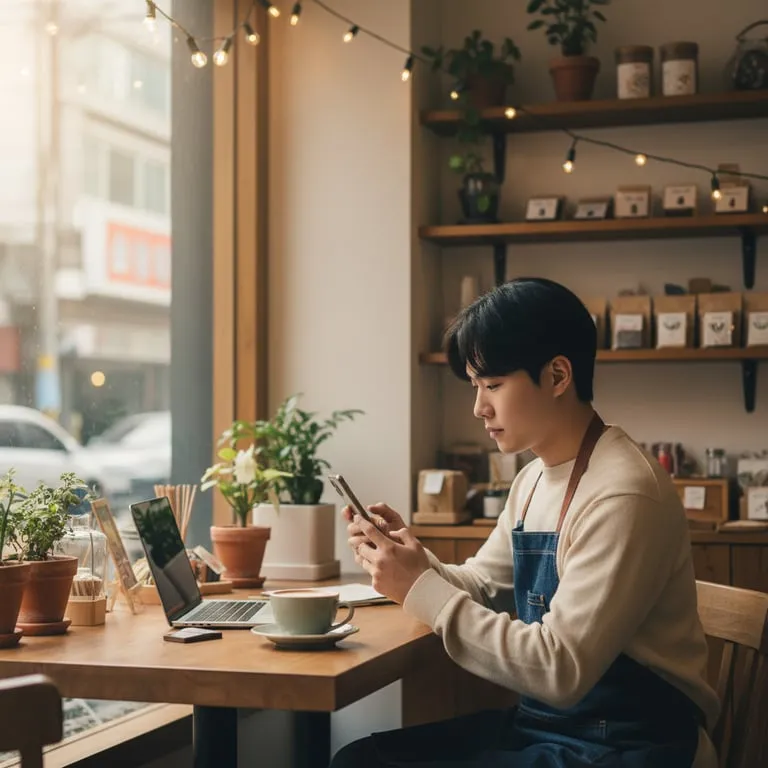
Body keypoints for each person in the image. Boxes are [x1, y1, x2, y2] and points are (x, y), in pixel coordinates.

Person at [330, 278, 719, 768]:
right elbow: (481, 584)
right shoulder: (534, 477)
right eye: (476, 386)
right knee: (359, 759)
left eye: (493, 385)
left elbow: (560, 668)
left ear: (558, 376)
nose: (479, 408)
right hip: (550, 727)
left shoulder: (623, 491)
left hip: (633, 742)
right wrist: (410, 560)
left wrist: (420, 587)